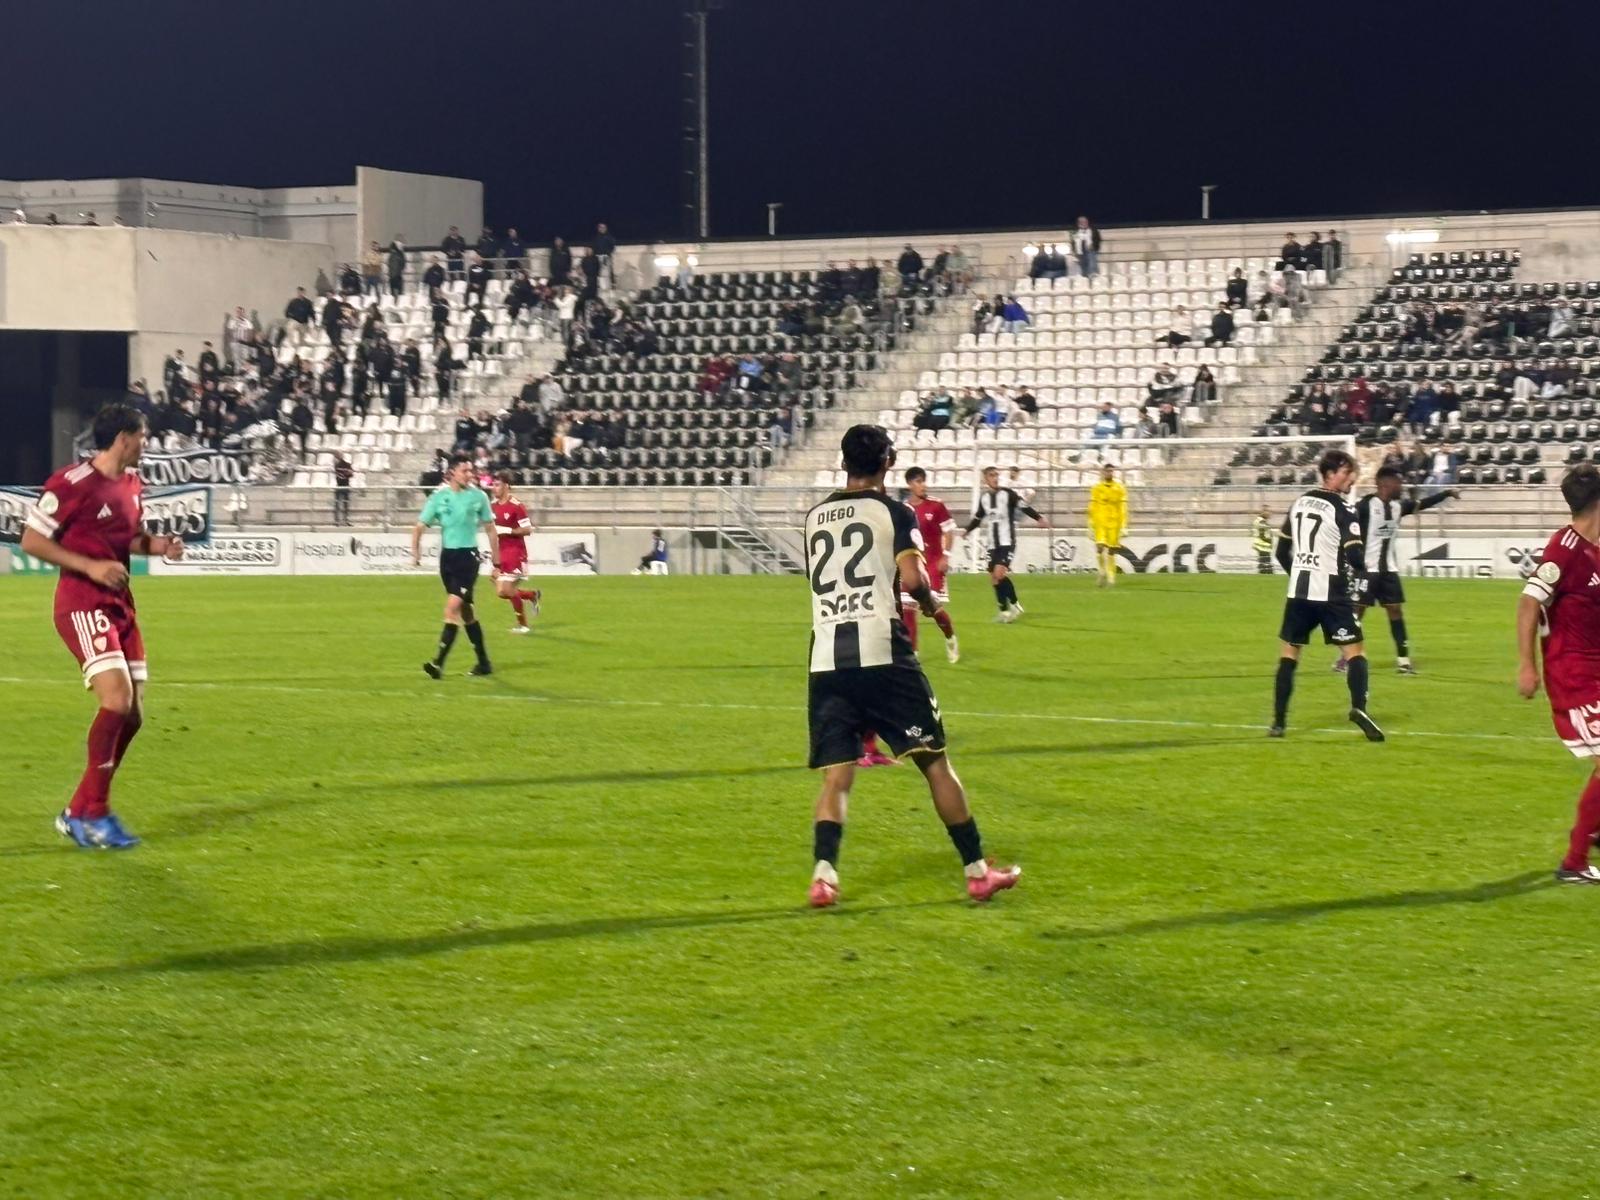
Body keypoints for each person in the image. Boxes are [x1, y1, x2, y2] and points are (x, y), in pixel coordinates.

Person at [802, 424, 1020, 907]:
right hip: (884, 654)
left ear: (843, 463)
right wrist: (931, 605)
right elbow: (912, 576)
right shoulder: (895, 511)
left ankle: (824, 876)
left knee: (838, 775)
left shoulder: (816, 517)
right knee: (935, 763)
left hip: (826, 659)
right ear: (888, 462)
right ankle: (978, 872)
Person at [18, 403, 186, 849]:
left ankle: (80, 810)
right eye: (143, 437)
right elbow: (32, 540)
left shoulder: (133, 484)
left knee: (132, 715)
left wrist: (160, 546)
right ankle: (96, 814)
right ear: (124, 437)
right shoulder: (72, 484)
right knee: (116, 701)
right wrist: (89, 568)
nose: (146, 445)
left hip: (120, 605)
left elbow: (128, 538)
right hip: (81, 603)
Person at [1517, 464, 1600, 882]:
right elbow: (1529, 602)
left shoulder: (1593, 549)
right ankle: (1574, 861)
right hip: (1574, 677)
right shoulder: (1563, 548)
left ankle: (1595, 827)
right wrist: (1527, 665)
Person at [1269, 449, 1384, 741]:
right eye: (1347, 473)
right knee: (1355, 652)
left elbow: (1281, 552)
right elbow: (1356, 556)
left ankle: (1278, 723)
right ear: (1330, 473)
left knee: (1289, 655)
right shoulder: (1344, 509)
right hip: (1331, 594)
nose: (1352, 478)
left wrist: (1299, 573)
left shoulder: (1298, 503)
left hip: (1299, 593)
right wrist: (1359, 567)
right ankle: (1359, 708)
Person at [1344, 468, 1461, 674]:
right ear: (1385, 485)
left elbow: (1423, 504)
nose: (1402, 487)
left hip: (1388, 570)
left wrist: (1446, 493)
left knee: (1396, 611)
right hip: (1366, 570)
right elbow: (1345, 523)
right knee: (1356, 613)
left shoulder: (1399, 506)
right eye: (1398, 483)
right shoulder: (1365, 506)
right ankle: (1346, 658)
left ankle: (1403, 661)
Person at [411, 454, 497, 678]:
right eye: (465, 471)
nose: (470, 475)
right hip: (447, 559)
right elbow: (420, 526)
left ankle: (437, 664)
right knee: (467, 612)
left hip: (468, 558)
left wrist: (497, 562)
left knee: (451, 609)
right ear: (452, 473)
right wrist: (416, 550)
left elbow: (490, 529)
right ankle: (484, 663)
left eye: (471, 471)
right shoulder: (440, 497)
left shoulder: (479, 497)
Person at [964, 465, 1047, 622]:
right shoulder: (985, 498)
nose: (995, 478)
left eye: (996, 475)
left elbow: (1024, 506)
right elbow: (978, 517)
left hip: (1007, 540)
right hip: (992, 543)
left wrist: (1039, 518)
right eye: (991, 475)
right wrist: (968, 530)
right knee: (994, 578)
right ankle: (1004, 611)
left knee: (999, 574)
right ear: (985, 479)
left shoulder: (1008, 494)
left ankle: (1014, 604)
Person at [902, 467, 960, 663]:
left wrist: (946, 555)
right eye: (918, 481)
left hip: (934, 564)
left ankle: (950, 638)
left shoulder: (936, 506)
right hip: (912, 565)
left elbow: (949, 532)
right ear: (910, 484)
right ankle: (913, 655)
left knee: (932, 609)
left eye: (924, 480)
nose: (922, 485)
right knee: (907, 608)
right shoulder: (904, 509)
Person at [490, 472, 542, 634]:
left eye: (497, 485)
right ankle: (532, 595)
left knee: (507, 589)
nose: (494, 488)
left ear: (506, 486)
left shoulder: (516, 505)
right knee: (502, 592)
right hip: (502, 552)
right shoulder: (493, 506)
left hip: (516, 552)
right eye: (493, 485)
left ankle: (523, 626)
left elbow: (528, 529)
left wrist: (508, 530)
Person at [1087, 462, 1128, 587]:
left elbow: (1123, 507)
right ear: (1103, 472)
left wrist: (1124, 526)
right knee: (1099, 547)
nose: (1109, 473)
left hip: (1115, 522)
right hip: (1101, 522)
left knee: (1112, 550)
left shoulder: (1120, 488)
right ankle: (1102, 571)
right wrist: (1090, 524)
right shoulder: (1097, 488)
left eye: (1111, 471)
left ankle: (1111, 576)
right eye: (1107, 471)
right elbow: (1092, 506)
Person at [332, 451, 354, 526]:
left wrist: (346, 473)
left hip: (344, 486)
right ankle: (338, 521)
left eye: (337, 456)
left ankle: (344, 520)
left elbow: (350, 474)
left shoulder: (346, 464)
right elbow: (341, 474)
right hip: (340, 486)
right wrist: (346, 473)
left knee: (345, 504)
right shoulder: (337, 465)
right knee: (339, 504)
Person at [1251, 506, 1274, 574]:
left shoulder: (1259, 521)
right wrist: (1269, 541)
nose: (1270, 514)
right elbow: (1262, 534)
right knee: (1266, 565)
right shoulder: (1261, 521)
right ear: (1263, 512)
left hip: (1261, 545)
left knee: (1263, 563)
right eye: (1268, 512)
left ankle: (1263, 572)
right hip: (1263, 545)